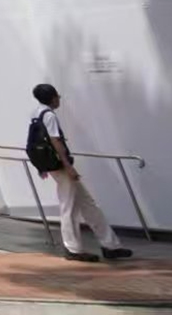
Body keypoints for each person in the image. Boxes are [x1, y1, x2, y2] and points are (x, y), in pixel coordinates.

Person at [29, 83, 132, 262]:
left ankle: (110, 245)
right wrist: (68, 166)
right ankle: (73, 249)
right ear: (52, 97)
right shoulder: (49, 116)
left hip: (53, 166)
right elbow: (55, 142)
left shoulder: (36, 113)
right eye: (57, 96)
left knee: (88, 204)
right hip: (61, 166)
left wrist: (42, 167)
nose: (59, 98)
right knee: (68, 207)